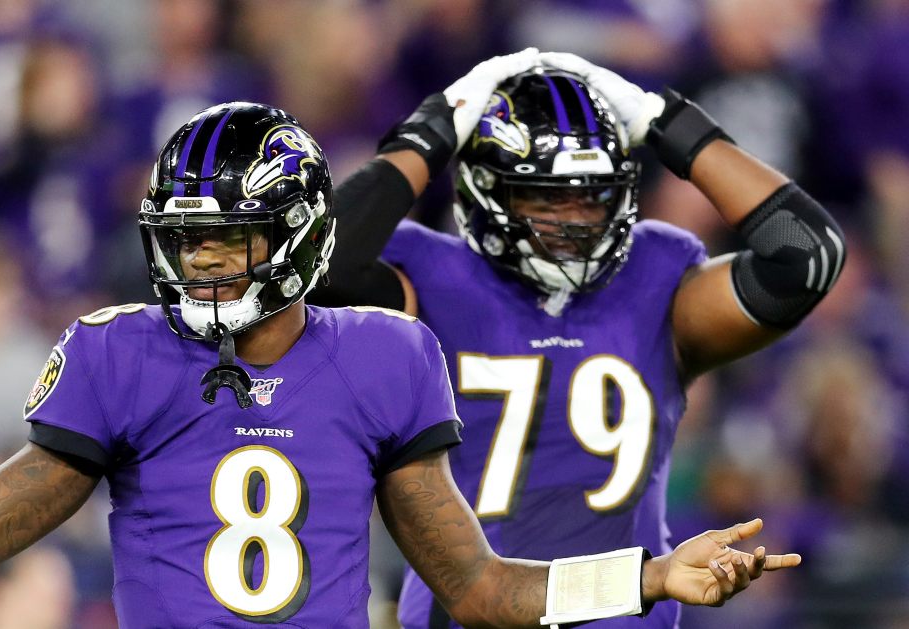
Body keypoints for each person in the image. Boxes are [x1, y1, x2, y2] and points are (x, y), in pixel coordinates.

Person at [0, 100, 798, 628]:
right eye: (186, 239)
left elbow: (473, 582)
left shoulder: (387, 353)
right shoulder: (118, 349)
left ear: (302, 235)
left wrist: (647, 574)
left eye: (227, 236)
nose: (202, 261)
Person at [316, 50, 844, 628]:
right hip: (469, 616)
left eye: (590, 196)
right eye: (546, 197)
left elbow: (807, 259)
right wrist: (430, 133)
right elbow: (313, 272)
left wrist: (667, 122)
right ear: (486, 190)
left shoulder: (657, 275)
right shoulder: (428, 280)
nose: (573, 220)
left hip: (622, 611)